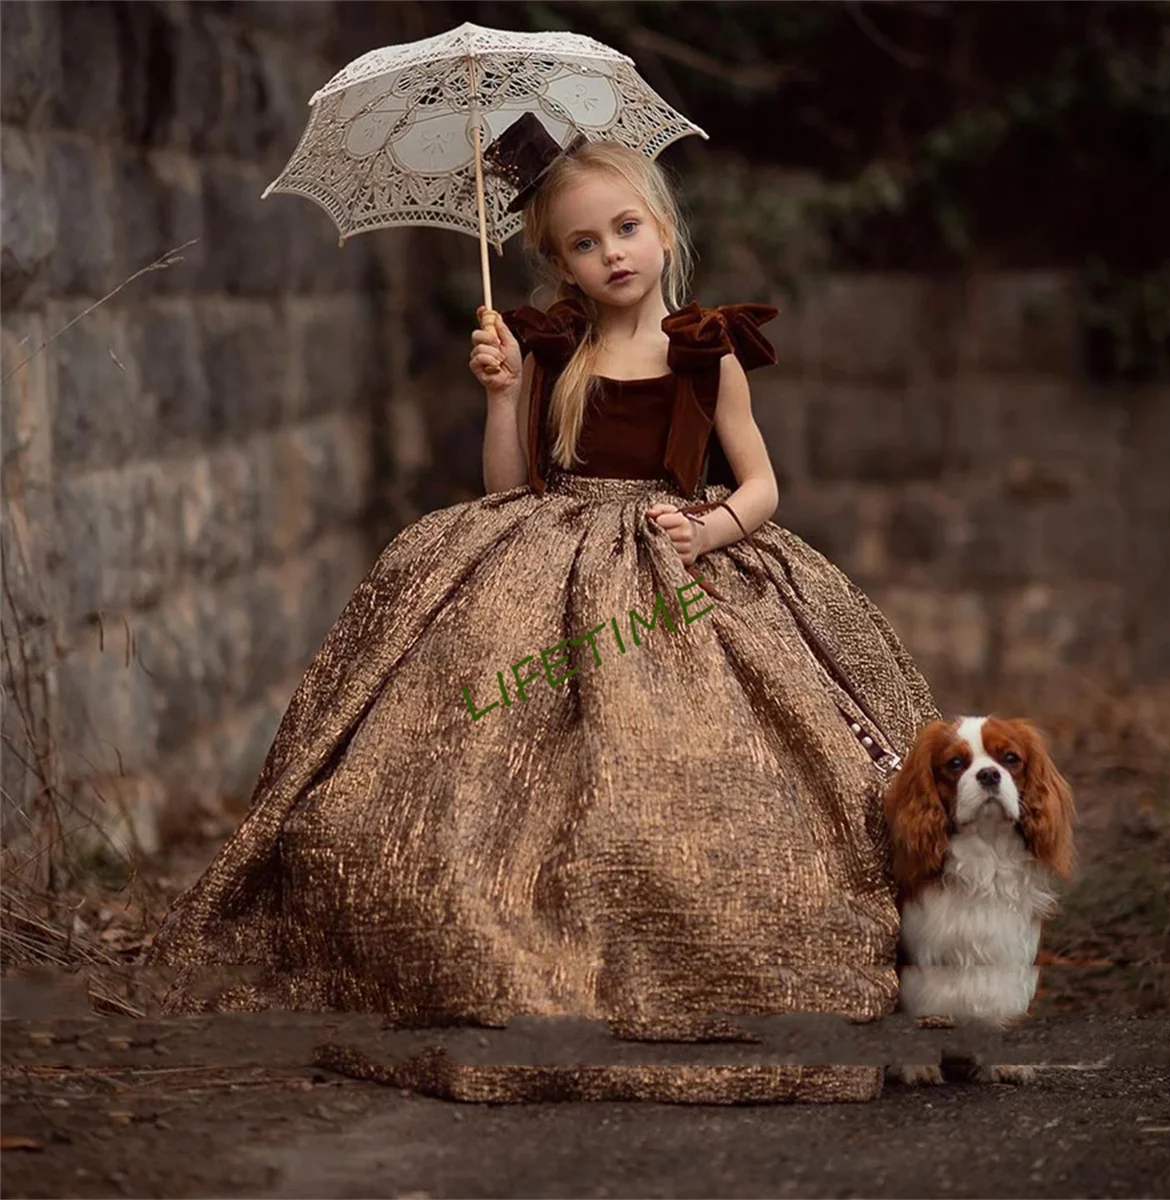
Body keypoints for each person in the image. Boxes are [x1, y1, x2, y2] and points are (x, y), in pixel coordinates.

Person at [149, 121, 940, 1104]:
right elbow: (508, 488)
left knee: (714, 767)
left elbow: (764, 484)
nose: (611, 253)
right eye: (583, 242)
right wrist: (500, 395)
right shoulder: (546, 347)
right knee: (486, 747)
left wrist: (714, 528)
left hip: (677, 554)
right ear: (553, 259)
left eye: (625, 229)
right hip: (544, 557)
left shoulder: (708, 354)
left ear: (661, 228)